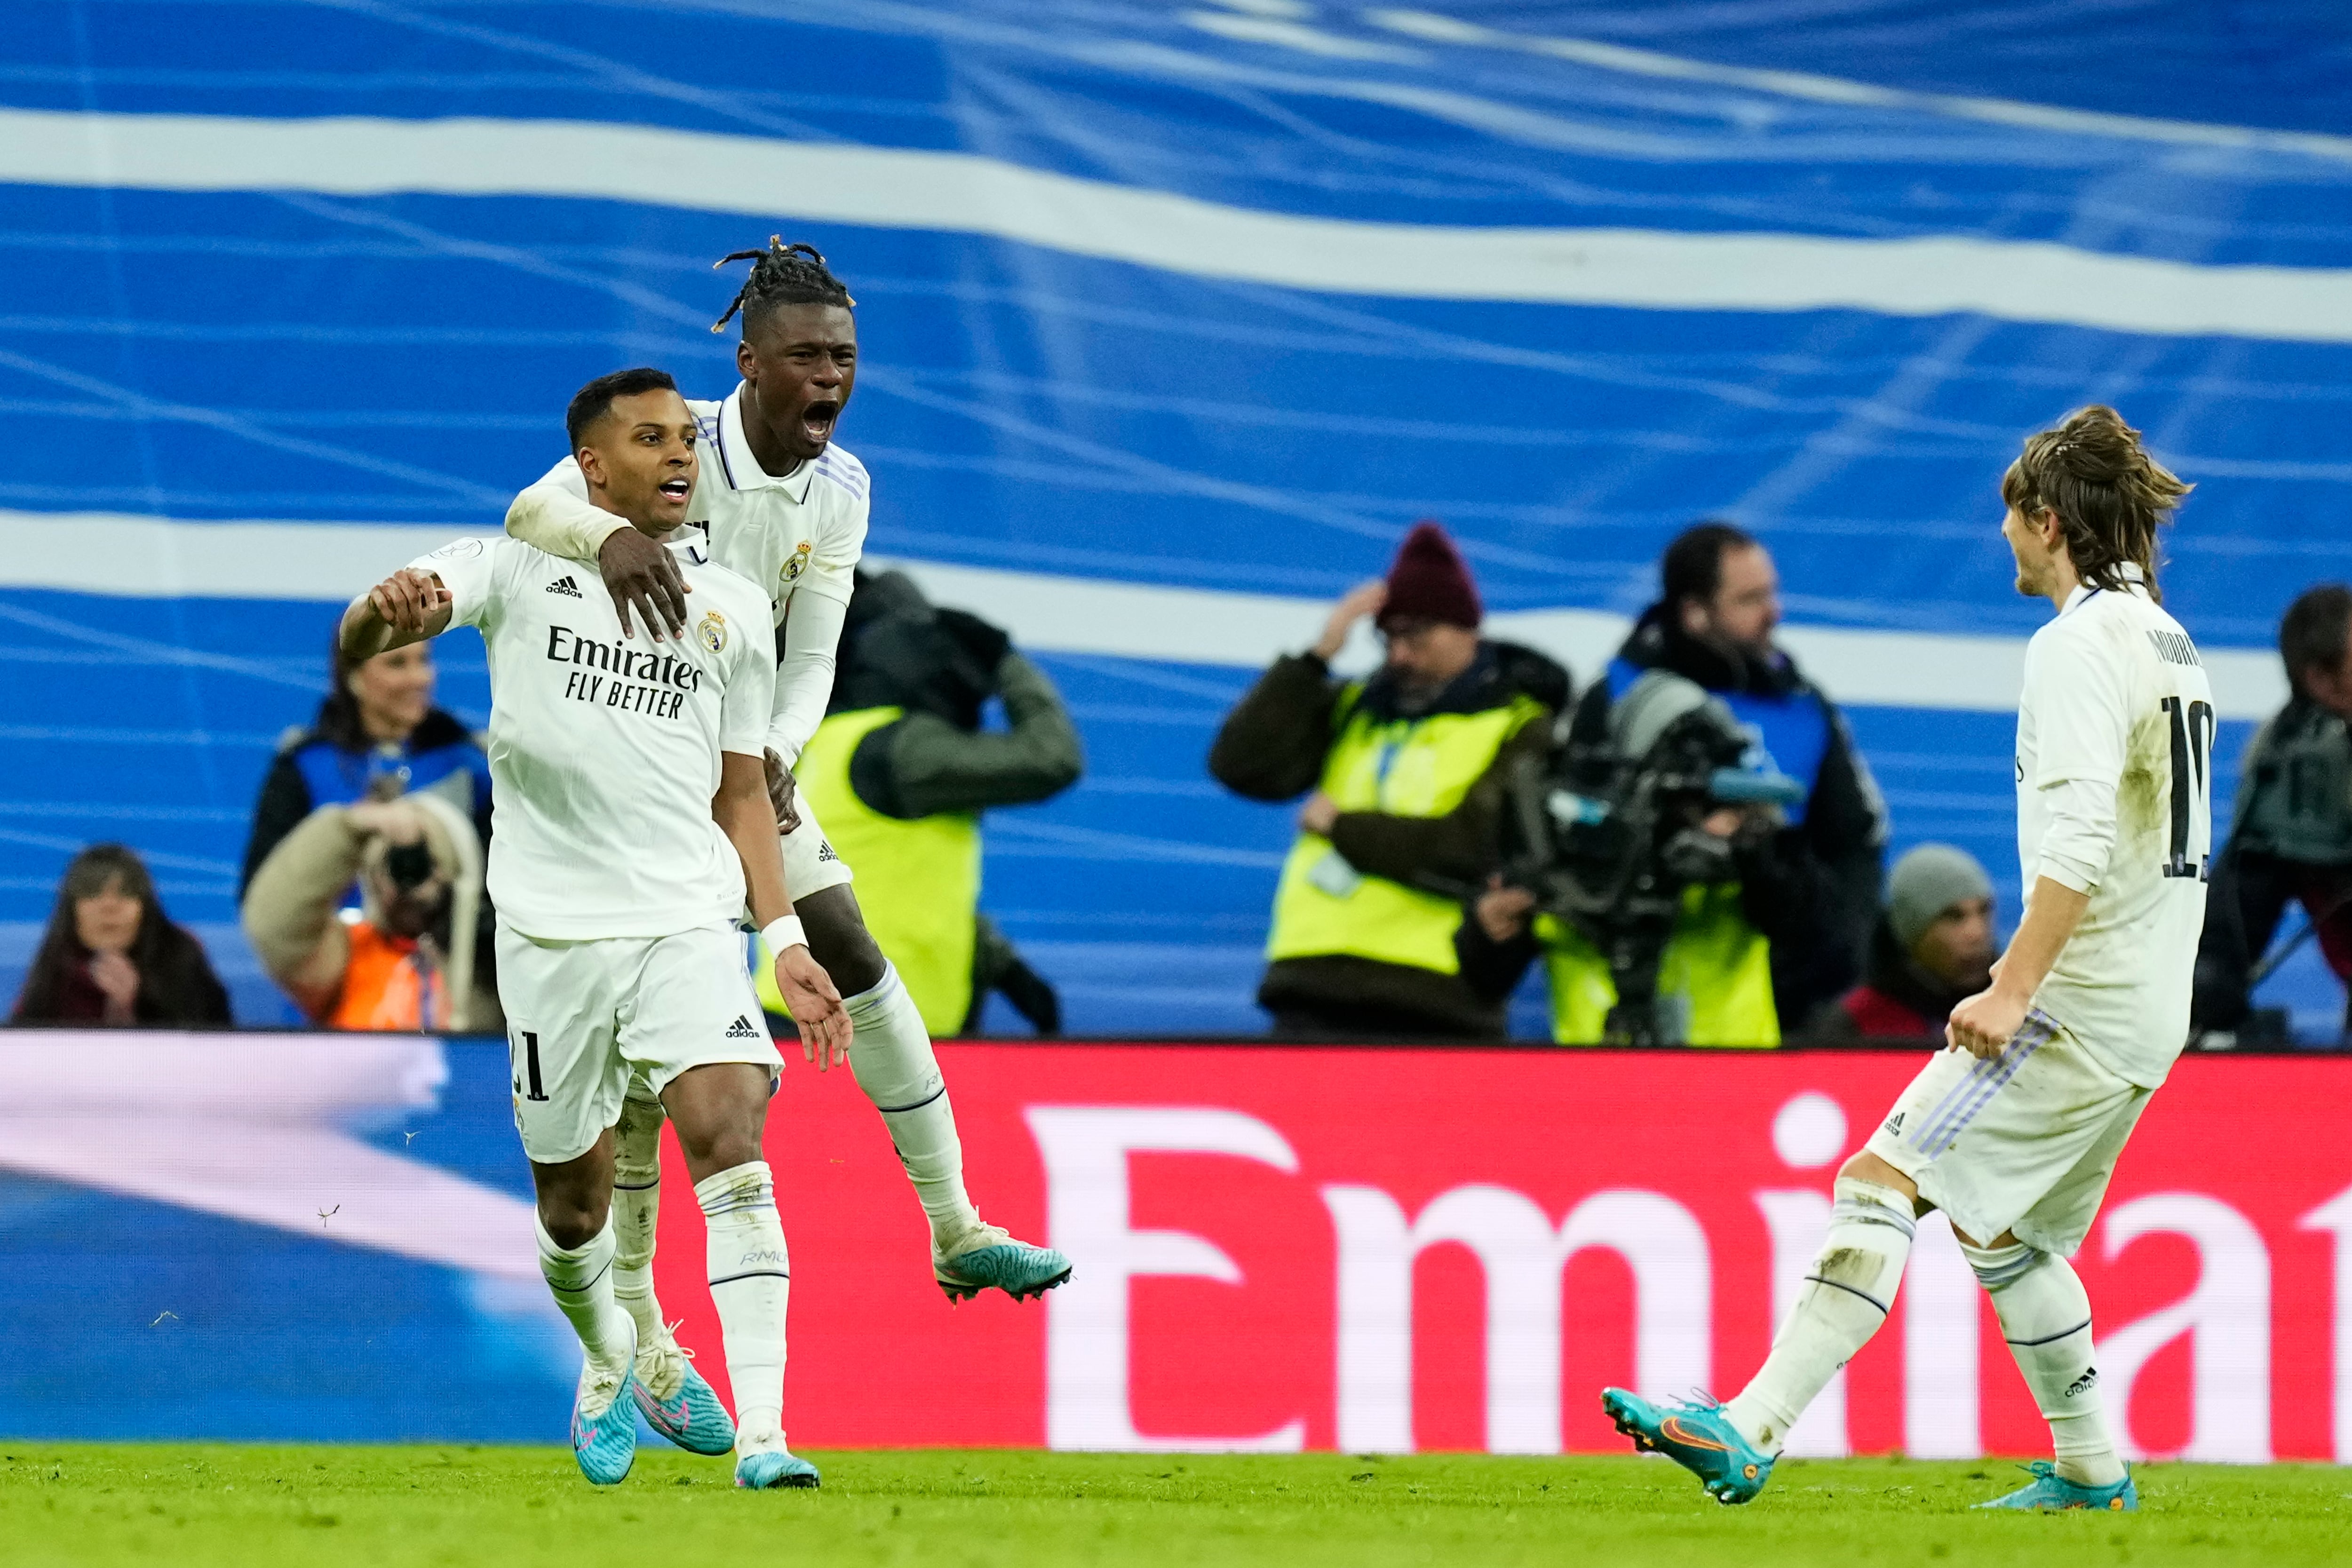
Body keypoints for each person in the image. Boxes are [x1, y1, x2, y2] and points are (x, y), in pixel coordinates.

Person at [1604, 405, 2208, 1514]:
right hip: (2143, 1001)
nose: (2005, 542)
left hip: (2072, 1000)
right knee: (2005, 1233)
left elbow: (2077, 846)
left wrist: (2011, 984)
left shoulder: (2074, 645)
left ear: (2046, 520)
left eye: (2010, 518)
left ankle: (1747, 1427)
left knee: (1882, 1178)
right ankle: (2089, 1473)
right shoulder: (2168, 641)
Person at [500, 239, 1068, 1306]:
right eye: (805, 356)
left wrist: (776, 749)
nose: (830, 378)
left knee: (847, 939)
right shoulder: (675, 444)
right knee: (629, 1051)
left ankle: (955, 1224)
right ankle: (632, 1323)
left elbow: (815, 653)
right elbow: (529, 514)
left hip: (730, 760)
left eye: (845, 357)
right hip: (616, 762)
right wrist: (605, 541)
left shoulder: (842, 488)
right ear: (749, 365)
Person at [347, 366, 855, 1488]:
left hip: (683, 918)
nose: (682, 456)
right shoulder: (511, 562)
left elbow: (742, 797)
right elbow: (366, 633)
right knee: (572, 1212)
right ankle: (619, 1346)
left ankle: (769, 1439)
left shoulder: (728, 605)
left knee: (733, 1134)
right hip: (550, 936)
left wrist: (782, 942)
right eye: (651, 439)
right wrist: (374, 619)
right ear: (592, 463)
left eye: (687, 437)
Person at [1208, 521, 1569, 1041]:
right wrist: (1316, 659)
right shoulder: (1358, 707)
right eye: (1389, 637)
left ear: (1466, 629)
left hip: (1438, 997)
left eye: (1417, 635)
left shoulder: (1520, 725)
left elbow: (1471, 847)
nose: (1399, 654)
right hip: (1312, 987)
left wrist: (1342, 829)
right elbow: (1241, 767)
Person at [1565, 523, 1887, 1036]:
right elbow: (1568, 831)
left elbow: (1853, 843)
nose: (1773, 612)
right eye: (1749, 599)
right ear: (1694, 613)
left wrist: (1828, 964)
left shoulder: (1801, 706)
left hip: (1775, 1013)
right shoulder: (1616, 700)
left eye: (1771, 593)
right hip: (1623, 1006)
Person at [758, 566, 1080, 1036]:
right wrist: (1004, 660)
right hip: (864, 1029)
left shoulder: (833, 739)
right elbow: (1052, 759)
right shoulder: (904, 747)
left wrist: (996, 959)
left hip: (825, 1017)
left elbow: (893, 878)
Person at [2193, 582, 2352, 1039]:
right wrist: (2208, 990)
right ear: (2321, 681)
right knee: (2206, 979)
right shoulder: (2288, 762)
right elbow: (2234, 913)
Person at [239, 633, 491, 899]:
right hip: (335, 939)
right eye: (397, 663)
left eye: (424, 660)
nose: (420, 678)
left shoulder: (468, 765)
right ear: (353, 676)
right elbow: (261, 897)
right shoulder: (306, 767)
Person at [242, 789, 497, 1031]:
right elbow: (276, 924)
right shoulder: (348, 957)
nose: (408, 877)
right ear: (372, 874)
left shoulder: (490, 965)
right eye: (393, 862)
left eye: (424, 862)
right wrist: (350, 829)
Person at [10, 843, 230, 1027]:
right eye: (93, 893)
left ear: (146, 908)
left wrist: (134, 1009)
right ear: (71, 911)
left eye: (125, 893)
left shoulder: (180, 955)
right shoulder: (56, 964)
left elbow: (219, 1047)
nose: (110, 906)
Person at [1804, 844, 1998, 1041]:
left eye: (1984, 912)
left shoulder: (2015, 1010)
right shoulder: (1857, 1025)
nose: (1977, 933)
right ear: (1912, 930)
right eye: (1953, 917)